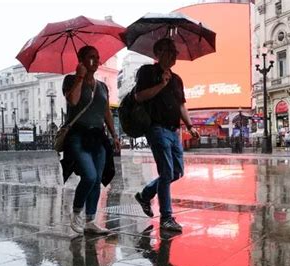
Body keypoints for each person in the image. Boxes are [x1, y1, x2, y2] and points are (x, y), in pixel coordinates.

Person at [134, 38, 200, 232]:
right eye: (171, 51)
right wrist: (161, 84)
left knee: (177, 172)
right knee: (166, 172)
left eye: (175, 51)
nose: (175, 55)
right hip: (156, 128)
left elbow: (181, 104)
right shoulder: (147, 72)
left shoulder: (177, 79)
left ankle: (145, 195)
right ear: (159, 52)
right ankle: (166, 218)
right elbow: (139, 96)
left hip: (174, 130)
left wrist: (190, 126)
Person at [62, 45, 120, 235]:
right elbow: (73, 101)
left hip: (98, 137)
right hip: (78, 135)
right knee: (89, 176)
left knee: (96, 181)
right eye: (90, 57)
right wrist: (80, 77)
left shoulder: (102, 86)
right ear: (81, 60)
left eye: (97, 57)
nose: (95, 61)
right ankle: (77, 212)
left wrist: (114, 135)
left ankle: (90, 221)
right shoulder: (70, 80)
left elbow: (106, 112)